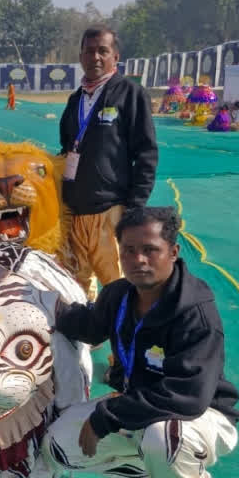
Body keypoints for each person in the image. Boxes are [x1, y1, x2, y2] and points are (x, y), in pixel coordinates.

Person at [44, 207, 239, 478]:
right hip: (142, 408)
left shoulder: (193, 309)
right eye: (128, 250)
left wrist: (107, 418)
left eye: (149, 249)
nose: (138, 260)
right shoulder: (119, 295)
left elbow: (188, 396)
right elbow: (89, 325)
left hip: (201, 416)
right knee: (59, 444)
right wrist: (43, 311)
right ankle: (153, 476)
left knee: (165, 438)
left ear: (174, 251)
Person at [59, 25, 158, 302]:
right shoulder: (75, 99)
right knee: (75, 288)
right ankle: (84, 339)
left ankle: (128, 342)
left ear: (116, 56)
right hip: (75, 212)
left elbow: (147, 154)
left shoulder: (130, 93)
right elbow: (67, 149)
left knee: (120, 287)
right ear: (81, 57)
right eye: (89, 51)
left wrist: (135, 208)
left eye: (103, 51)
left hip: (111, 212)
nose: (95, 57)